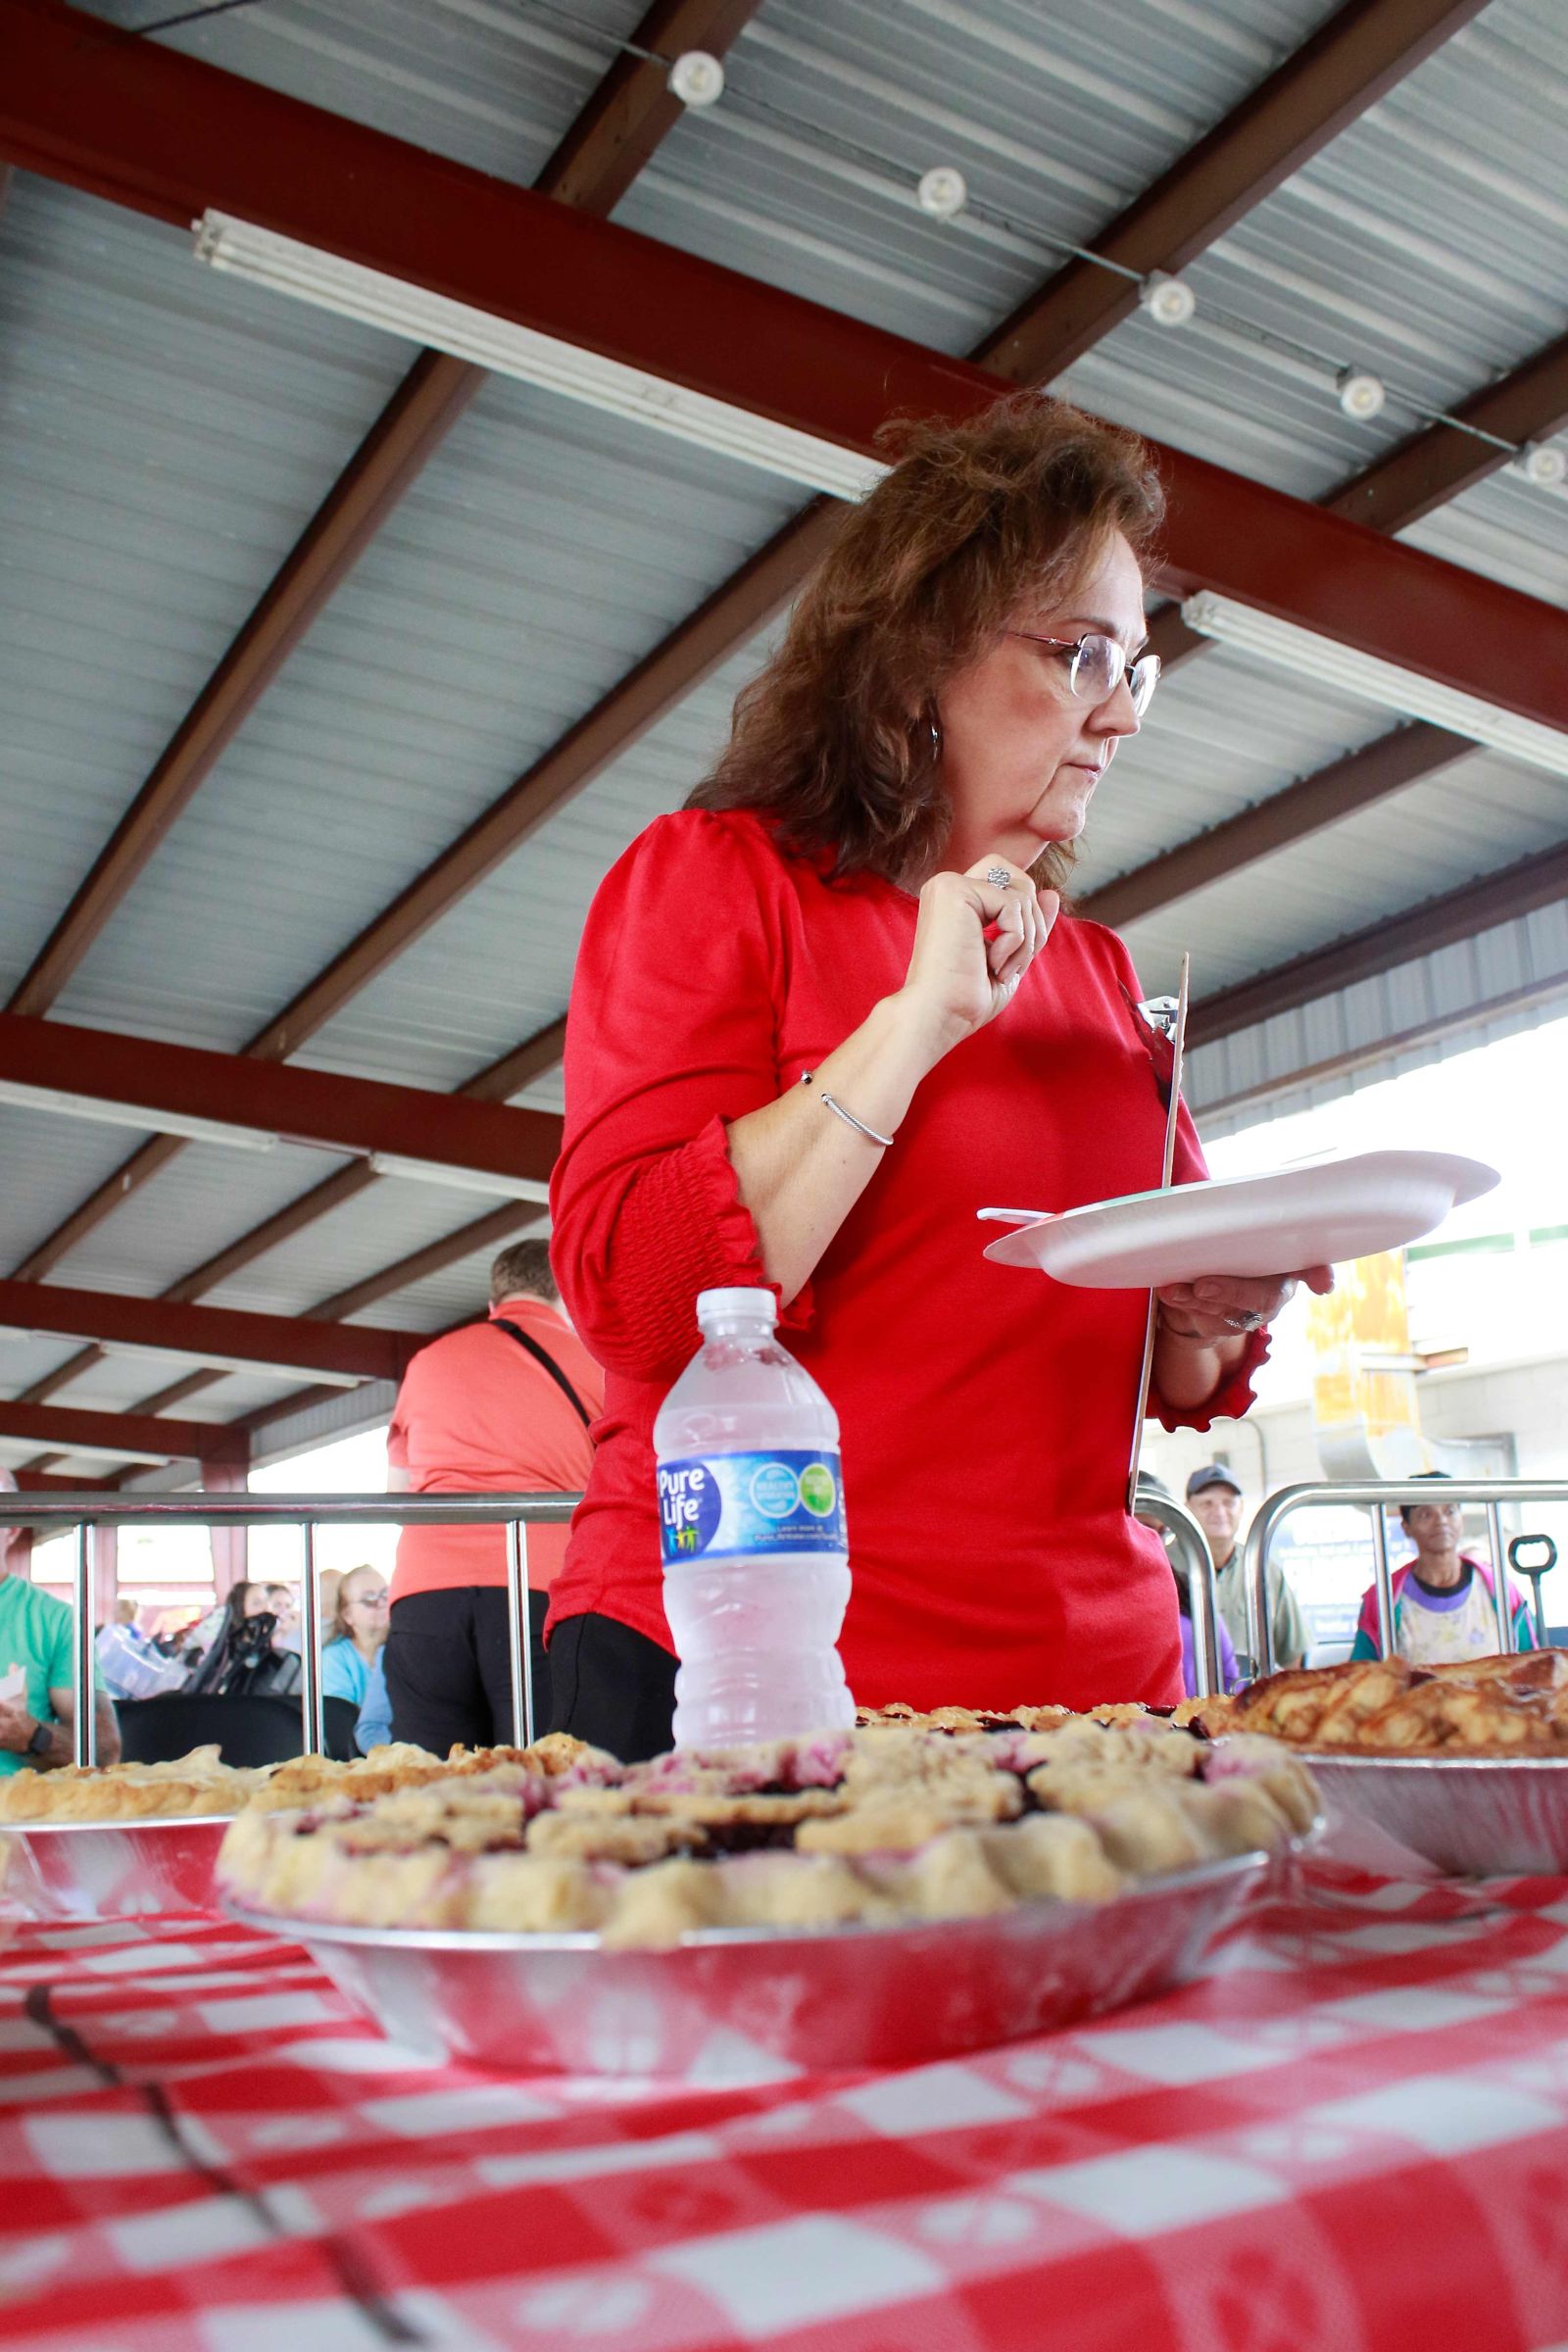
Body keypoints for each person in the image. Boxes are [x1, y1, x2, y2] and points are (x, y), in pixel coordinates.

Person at [545, 393, 1332, 1760]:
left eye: (1137, 670)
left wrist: (1212, 1306)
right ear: (917, 662)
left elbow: (1173, 1360)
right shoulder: (720, 879)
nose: (1121, 716)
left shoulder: (1097, 969)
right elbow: (637, 1301)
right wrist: (915, 1026)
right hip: (753, 1671)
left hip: (1091, 1686)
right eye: (1083, 655)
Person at [385, 1239, 604, 1754]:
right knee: (541, 1768)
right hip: (540, 1589)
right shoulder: (596, 1364)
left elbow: (396, 1494)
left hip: (426, 1592)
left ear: (494, 1302)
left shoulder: (429, 1360)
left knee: (427, 1773)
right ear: (567, 1298)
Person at [0, 1467, 121, 1773]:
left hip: (17, 1800)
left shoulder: (56, 1620)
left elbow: (104, 1749)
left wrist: (32, 1737)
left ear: (12, 1530)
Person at [1351, 1474, 1531, 1663]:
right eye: (1426, 1514)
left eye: (1450, 1511)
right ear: (1406, 1527)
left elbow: (1531, 1664)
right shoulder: (1382, 1600)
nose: (1441, 1521)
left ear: (1461, 1519)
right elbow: (1362, 1672)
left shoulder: (1501, 1591)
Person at [1186, 1463, 1307, 1676]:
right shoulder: (1163, 1567)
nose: (1219, 1512)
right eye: (1207, 1503)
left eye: (1228, 1503)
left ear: (1241, 1508)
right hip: (1183, 1696)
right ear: (1187, 1509)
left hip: (1250, 1694)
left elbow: (1292, 1655)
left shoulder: (1264, 1570)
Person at [1134, 1475, 1242, 1698]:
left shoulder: (1190, 1591)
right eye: (1144, 1529)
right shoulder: (1095, 1597)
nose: (1155, 1542)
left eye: (1163, 1532)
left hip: (1193, 1716)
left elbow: (1229, 1677)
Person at [320, 1565, 393, 1752]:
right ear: (347, 1614)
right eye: (369, 1599)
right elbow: (339, 1719)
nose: (381, 1603)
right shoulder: (334, 1658)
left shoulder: (403, 1650)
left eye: (385, 1595)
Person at [186, 1582, 302, 1697]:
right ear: (239, 1610)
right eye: (257, 1603)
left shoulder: (279, 1654)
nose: (266, 1609)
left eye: (267, 1602)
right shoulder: (224, 1650)